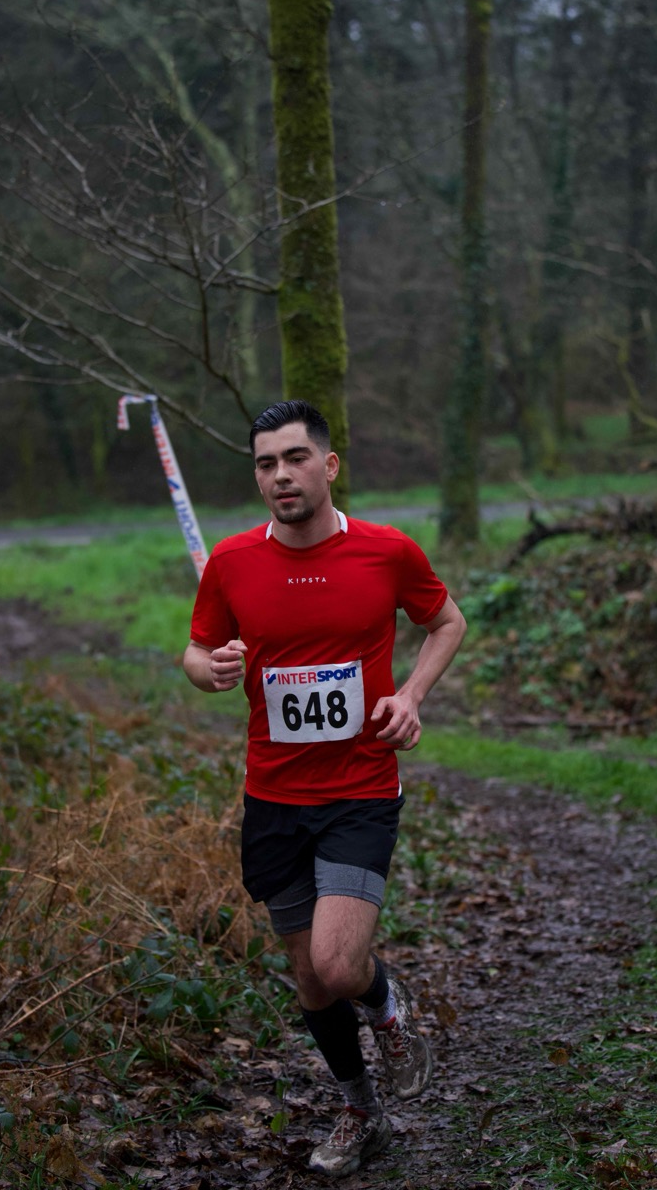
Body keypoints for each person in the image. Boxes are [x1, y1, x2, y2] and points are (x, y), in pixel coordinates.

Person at [183, 400, 466, 1178]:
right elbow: (197, 649)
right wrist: (208, 669)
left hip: (359, 789)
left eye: (295, 458)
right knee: (308, 976)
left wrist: (410, 696)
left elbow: (446, 622)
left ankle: (389, 1010)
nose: (280, 475)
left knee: (339, 967)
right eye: (265, 463)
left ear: (328, 465)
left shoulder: (385, 551)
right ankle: (358, 1110)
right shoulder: (232, 562)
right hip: (274, 797)